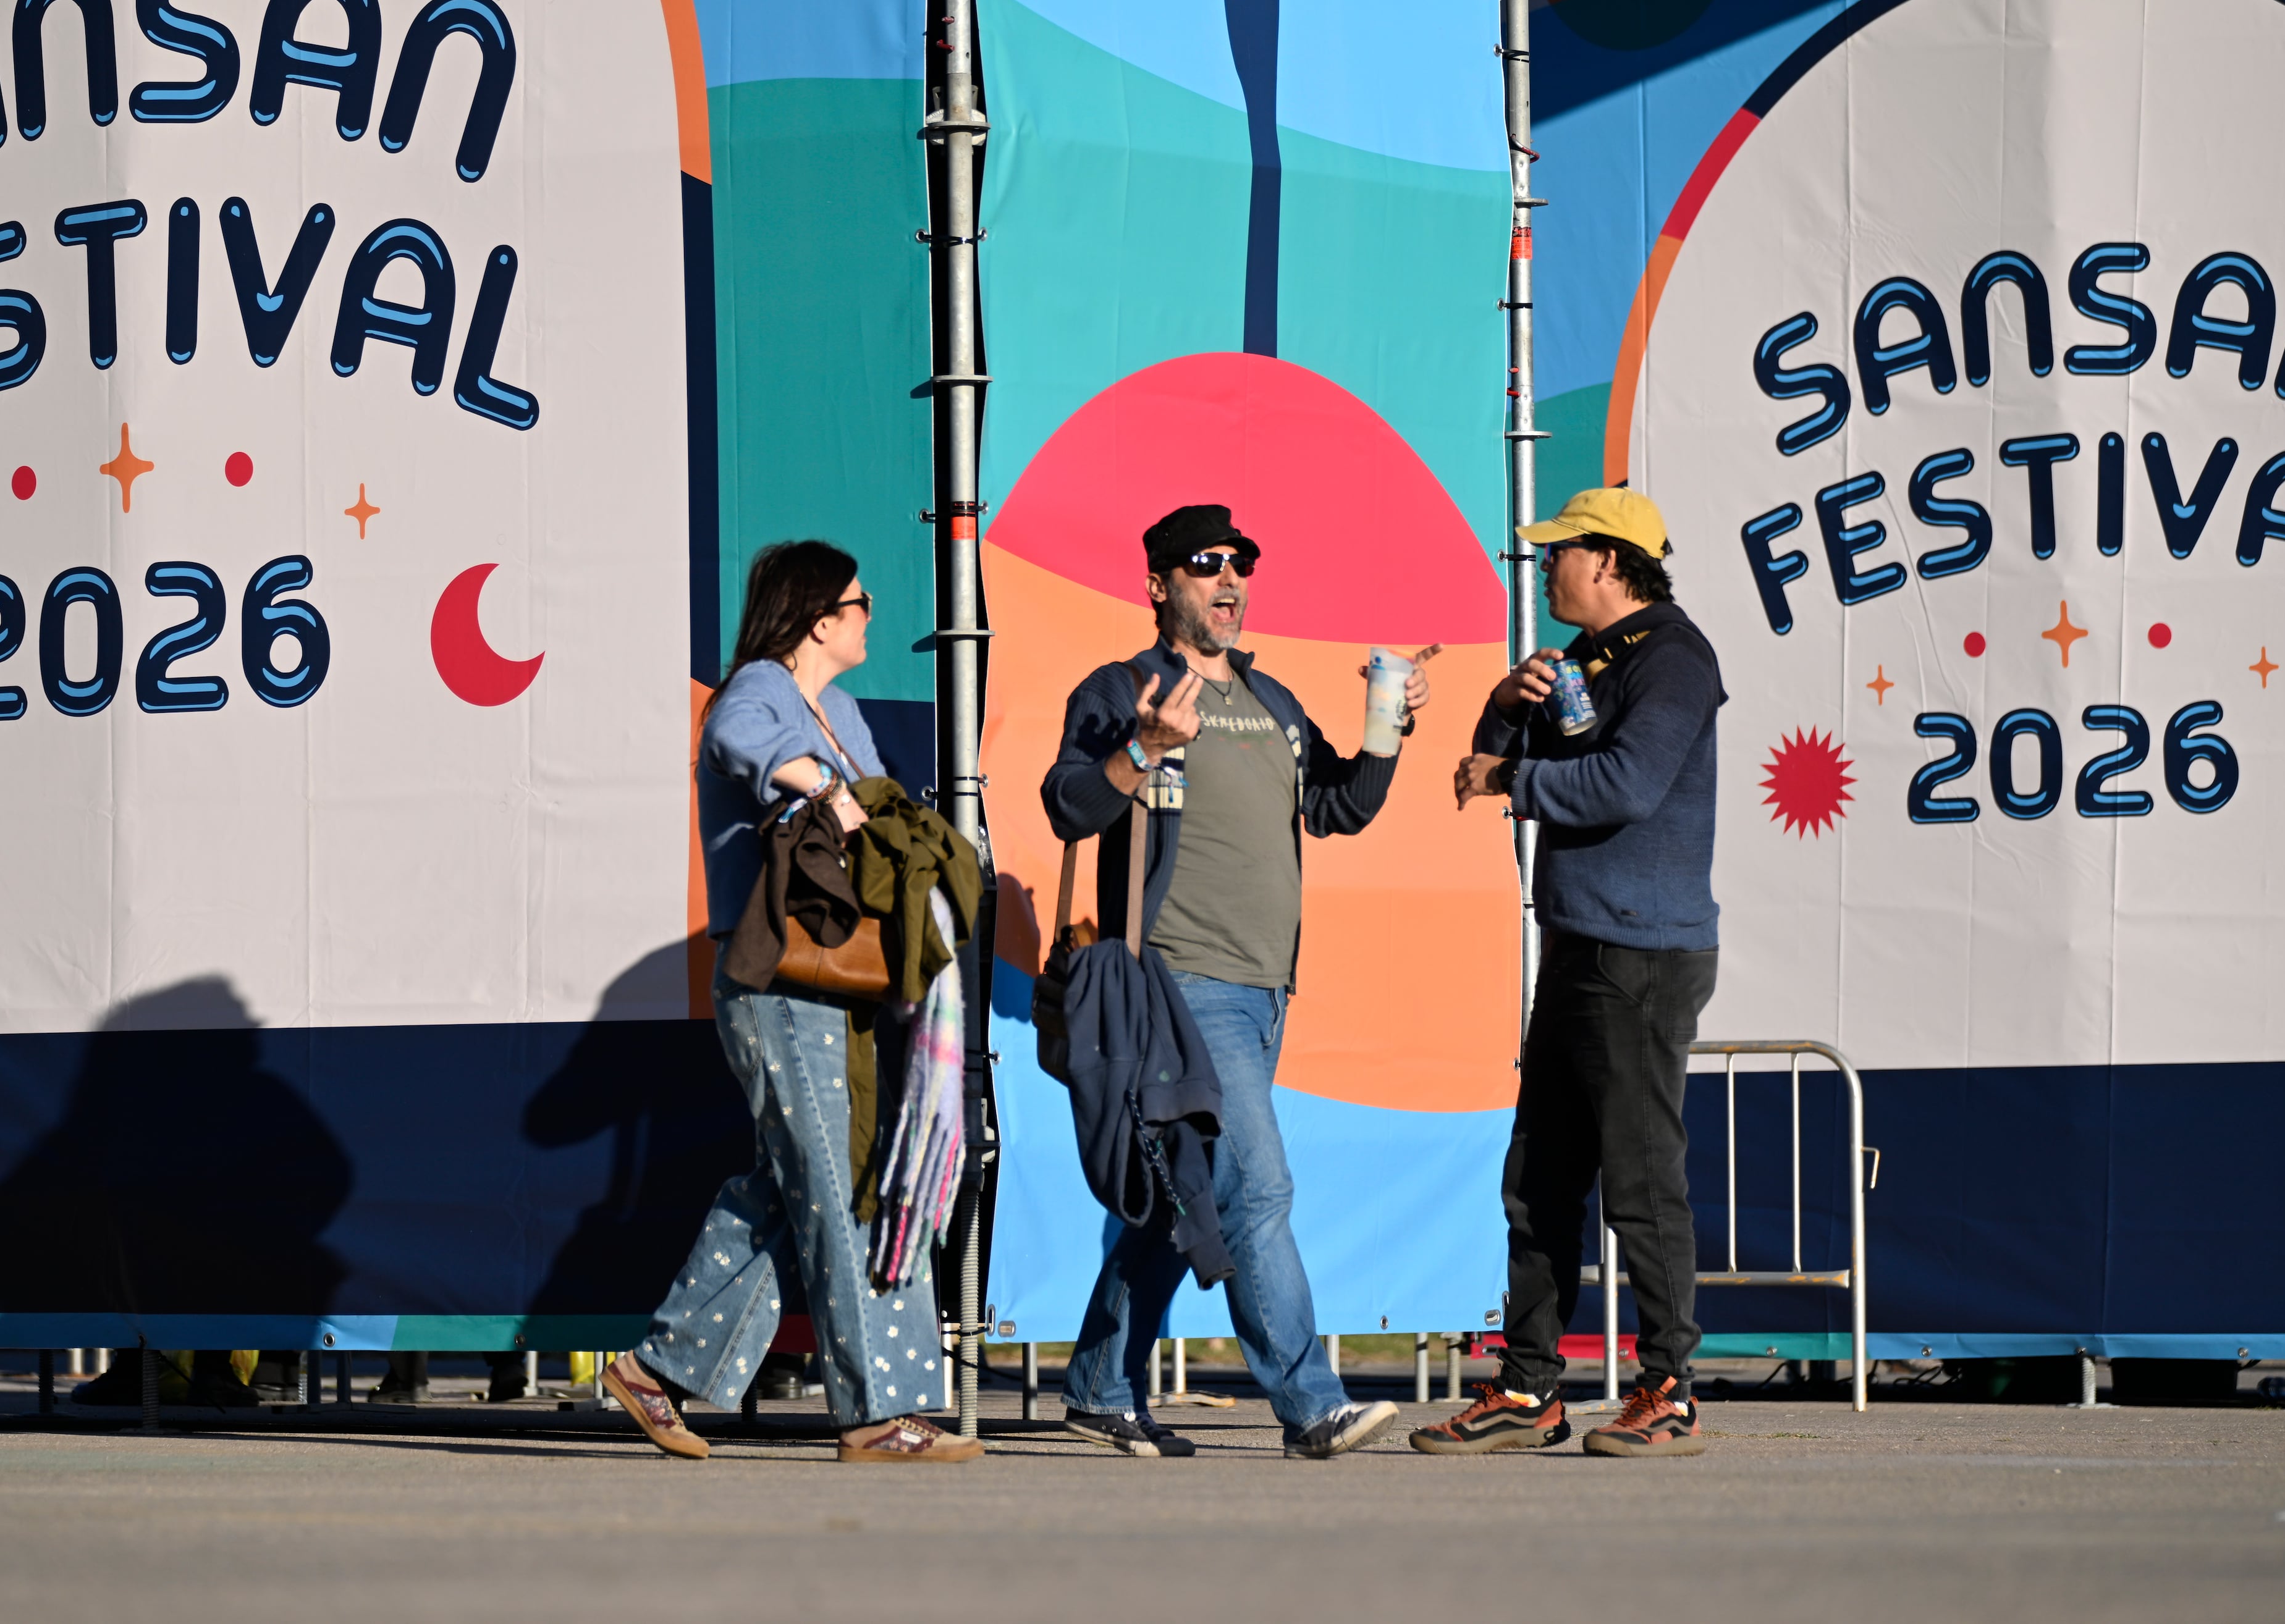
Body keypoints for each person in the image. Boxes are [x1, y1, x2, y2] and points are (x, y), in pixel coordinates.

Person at [1041, 503, 1427, 1460]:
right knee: (1257, 1187)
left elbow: (1337, 807)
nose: (1229, 580)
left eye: (1241, 564)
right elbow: (1068, 804)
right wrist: (1142, 748)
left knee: (1195, 1196)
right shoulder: (1125, 687)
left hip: (1264, 990)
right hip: (1178, 984)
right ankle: (1311, 1403)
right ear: (1159, 584)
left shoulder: (1272, 700)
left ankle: (1096, 1385)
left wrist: (1387, 730)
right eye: (1205, 564)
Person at [596, 540, 981, 1465]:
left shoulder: (840, 709)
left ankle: (655, 1370)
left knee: (799, 1185)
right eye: (860, 601)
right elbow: (736, 737)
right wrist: (821, 784)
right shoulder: (759, 689)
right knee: (839, 1190)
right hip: (777, 984)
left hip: (843, 983)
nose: (869, 615)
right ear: (817, 618)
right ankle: (879, 1413)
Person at [1414, 486, 1723, 1459]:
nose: (1544, 566)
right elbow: (1491, 766)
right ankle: (1528, 1389)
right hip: (1580, 943)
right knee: (1539, 1178)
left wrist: (1512, 778)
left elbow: (1627, 785)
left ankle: (1670, 1389)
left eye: (1559, 551)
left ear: (1609, 562)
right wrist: (1504, 710)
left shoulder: (1673, 656)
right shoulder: (1585, 660)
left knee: (1640, 1179)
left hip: (1643, 951)